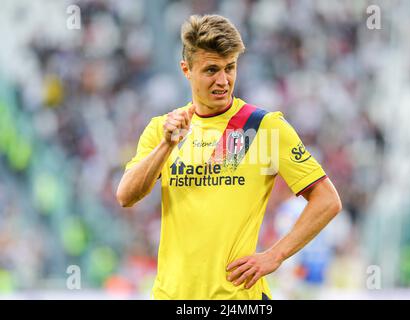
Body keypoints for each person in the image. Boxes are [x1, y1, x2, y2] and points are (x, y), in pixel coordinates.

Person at [116, 14, 342, 300]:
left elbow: (327, 200)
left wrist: (276, 255)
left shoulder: (262, 126)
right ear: (186, 69)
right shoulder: (163, 128)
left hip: (238, 300)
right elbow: (126, 196)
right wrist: (166, 146)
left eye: (230, 68)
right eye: (211, 70)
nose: (223, 80)